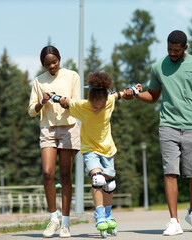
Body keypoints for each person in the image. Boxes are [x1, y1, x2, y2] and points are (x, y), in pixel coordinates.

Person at [127, 30, 192, 236]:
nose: (172, 54)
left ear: (185, 48)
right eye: (169, 49)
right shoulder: (158, 67)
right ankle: (174, 220)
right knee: (170, 171)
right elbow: (153, 96)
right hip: (168, 125)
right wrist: (136, 95)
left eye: (176, 50)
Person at [58, 72, 128, 238]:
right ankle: (99, 215)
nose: (97, 110)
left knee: (109, 185)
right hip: (90, 149)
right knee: (98, 180)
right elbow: (66, 102)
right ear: (89, 101)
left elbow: (119, 95)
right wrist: (58, 99)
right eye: (94, 107)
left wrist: (132, 90)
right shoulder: (81, 106)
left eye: (101, 107)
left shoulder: (109, 101)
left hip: (108, 149)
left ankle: (108, 214)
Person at [28, 45, 81, 238]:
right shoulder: (38, 81)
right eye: (48, 64)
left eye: (54, 62)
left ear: (60, 58)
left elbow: (78, 104)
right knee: (48, 173)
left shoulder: (72, 76)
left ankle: (66, 223)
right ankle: (53, 219)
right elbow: (31, 110)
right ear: (43, 64)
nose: (52, 66)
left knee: (65, 176)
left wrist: (67, 102)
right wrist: (42, 101)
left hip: (68, 128)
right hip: (48, 129)